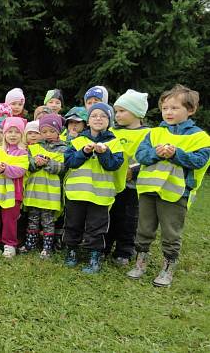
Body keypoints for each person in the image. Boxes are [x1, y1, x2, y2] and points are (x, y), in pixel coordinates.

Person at [128, 84, 210, 287]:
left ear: (190, 110)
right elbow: (141, 155)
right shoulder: (155, 133)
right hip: (148, 189)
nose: (169, 112)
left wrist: (175, 154)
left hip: (176, 192)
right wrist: (157, 152)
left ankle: (168, 267)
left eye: (175, 108)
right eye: (165, 108)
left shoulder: (200, 137)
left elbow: (199, 161)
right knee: (144, 228)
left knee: (171, 232)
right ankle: (140, 262)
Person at [63, 103, 123, 274]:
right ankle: (72, 251)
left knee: (97, 227)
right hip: (77, 193)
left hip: (100, 195)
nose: (98, 118)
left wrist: (104, 153)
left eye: (103, 116)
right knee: (73, 223)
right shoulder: (77, 141)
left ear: (109, 121)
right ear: (88, 121)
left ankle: (94, 256)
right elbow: (70, 162)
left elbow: (114, 165)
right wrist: (84, 152)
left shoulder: (115, 143)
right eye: (94, 115)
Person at [106, 89, 150, 265]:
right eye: (116, 111)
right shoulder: (111, 131)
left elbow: (150, 157)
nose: (117, 115)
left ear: (137, 112)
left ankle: (124, 251)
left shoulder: (149, 134)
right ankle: (104, 246)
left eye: (122, 111)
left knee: (128, 220)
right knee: (108, 216)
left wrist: (134, 171)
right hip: (110, 183)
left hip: (133, 186)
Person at [0, 117, 29, 258]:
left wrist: (4, 168)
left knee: (10, 220)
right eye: (10, 131)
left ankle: (9, 244)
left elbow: (20, 170)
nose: (13, 135)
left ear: (22, 135)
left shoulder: (23, 153)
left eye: (17, 132)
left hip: (13, 194)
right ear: (4, 134)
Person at [23, 114, 67, 258]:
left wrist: (48, 163)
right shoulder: (34, 148)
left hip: (50, 193)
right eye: (44, 131)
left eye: (52, 131)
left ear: (58, 131)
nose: (48, 134)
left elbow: (63, 168)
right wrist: (35, 162)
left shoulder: (64, 149)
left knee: (48, 220)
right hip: (34, 191)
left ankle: (47, 247)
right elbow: (27, 165)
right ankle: (30, 244)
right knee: (33, 218)